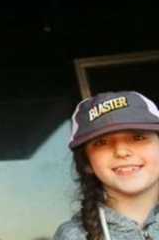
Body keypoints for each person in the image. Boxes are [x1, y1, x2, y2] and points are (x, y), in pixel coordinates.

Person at [54, 91, 159, 240]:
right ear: (86, 163)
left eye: (138, 137)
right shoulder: (73, 236)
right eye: (101, 142)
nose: (121, 152)